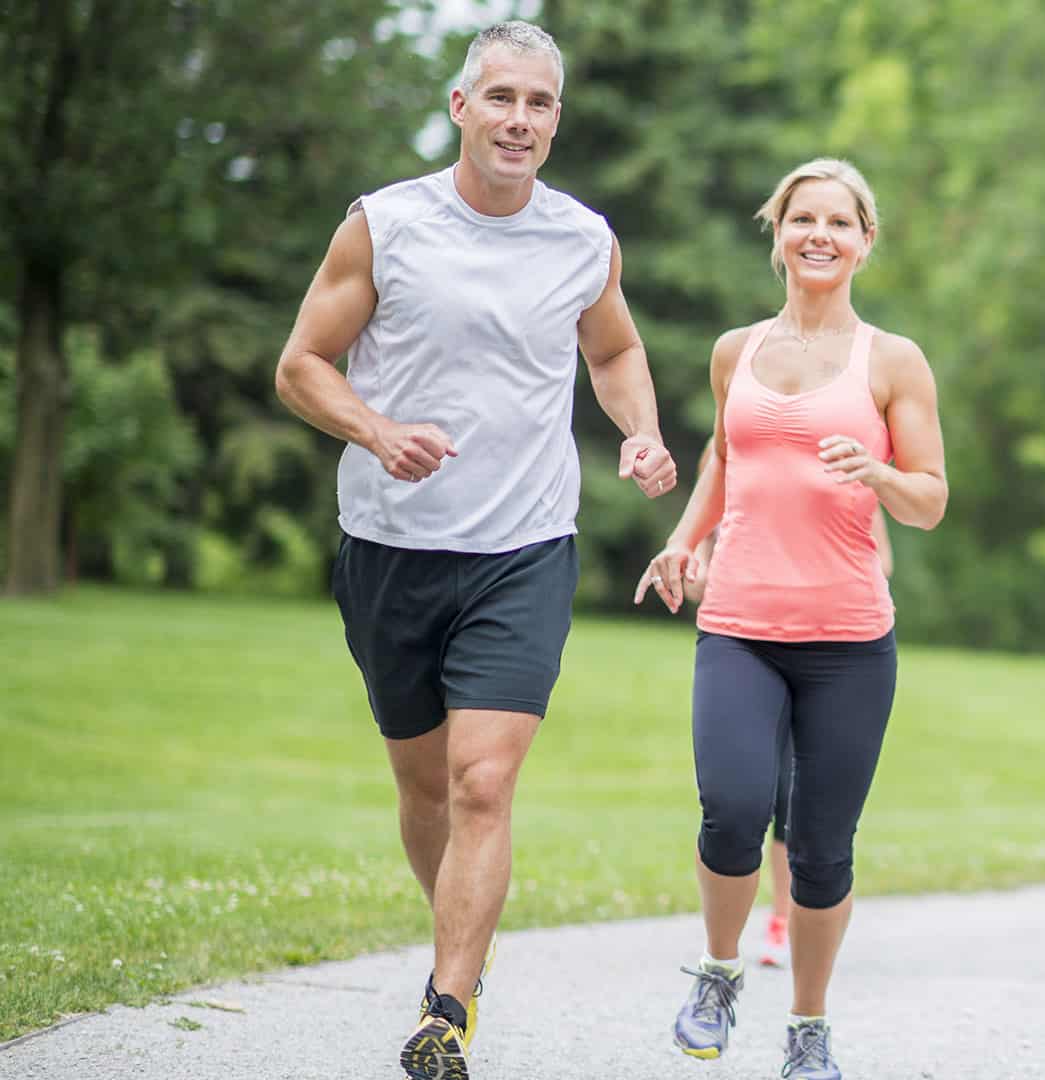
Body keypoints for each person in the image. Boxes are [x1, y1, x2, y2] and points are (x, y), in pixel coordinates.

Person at [272, 20, 677, 1080]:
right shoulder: (386, 226)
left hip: (524, 546)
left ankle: (446, 1010)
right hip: (391, 545)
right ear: (461, 107)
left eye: (539, 104)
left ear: (556, 120)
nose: (519, 120)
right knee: (426, 791)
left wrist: (640, 428)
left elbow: (615, 348)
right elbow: (302, 364)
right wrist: (376, 431)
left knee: (483, 782)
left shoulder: (582, 239)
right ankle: (467, 941)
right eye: (501, 97)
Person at [636, 157, 947, 1080]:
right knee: (733, 808)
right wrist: (684, 540)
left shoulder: (892, 361)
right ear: (777, 234)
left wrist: (880, 473)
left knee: (820, 848)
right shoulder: (735, 350)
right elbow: (723, 458)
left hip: (850, 640)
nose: (820, 235)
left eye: (839, 222)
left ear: (865, 242)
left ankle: (808, 1026)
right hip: (739, 622)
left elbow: (931, 500)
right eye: (802, 218)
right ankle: (719, 973)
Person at [676, 438, 895, 970]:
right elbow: (699, 556)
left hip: (830, 644)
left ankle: (783, 916)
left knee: (795, 800)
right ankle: (728, 951)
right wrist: (702, 570)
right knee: (742, 798)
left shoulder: (843, 458)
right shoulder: (726, 452)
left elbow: (882, 558)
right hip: (747, 638)